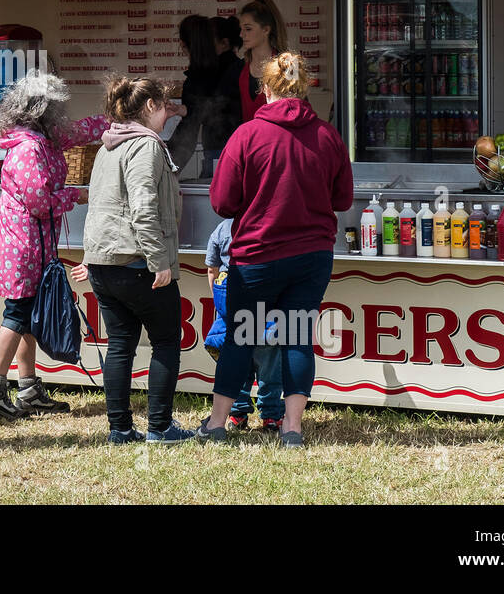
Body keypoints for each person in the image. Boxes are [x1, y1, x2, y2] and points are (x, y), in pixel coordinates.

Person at [202, 52, 353, 448]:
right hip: (312, 257)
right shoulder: (327, 136)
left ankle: (217, 423)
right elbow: (343, 199)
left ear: (265, 89)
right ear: (305, 88)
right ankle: (292, 427)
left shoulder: (247, 135)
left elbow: (222, 203)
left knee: (240, 336)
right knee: (297, 336)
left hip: (256, 257)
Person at [0, 71, 107, 419]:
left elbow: (78, 132)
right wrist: (76, 195)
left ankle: (29, 388)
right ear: (44, 111)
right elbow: (40, 203)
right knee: (16, 315)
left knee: (29, 318)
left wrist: (114, 119)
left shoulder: (38, 138)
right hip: (23, 247)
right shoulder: (30, 147)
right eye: (58, 109)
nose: (62, 115)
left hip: (27, 243)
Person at [71, 76, 193, 445]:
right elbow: (143, 208)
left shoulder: (109, 145)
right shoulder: (146, 146)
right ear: (151, 107)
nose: (169, 113)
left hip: (105, 265)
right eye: (165, 106)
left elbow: (100, 207)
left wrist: (91, 259)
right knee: (167, 341)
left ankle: (120, 429)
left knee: (120, 344)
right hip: (137, 262)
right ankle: (160, 427)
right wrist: (159, 261)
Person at [204, 217, 282, 434]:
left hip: (234, 310)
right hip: (266, 312)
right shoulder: (272, 223)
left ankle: (237, 414)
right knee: (270, 371)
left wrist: (220, 304)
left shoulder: (222, 227)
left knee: (237, 365)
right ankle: (271, 416)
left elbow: (212, 270)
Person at [166, 15, 241, 175]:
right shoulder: (240, 69)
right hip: (245, 150)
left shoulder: (200, 78)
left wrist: (166, 168)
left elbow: (189, 130)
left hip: (220, 153)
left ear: (184, 44)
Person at [238, 0, 288, 121]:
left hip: (278, 139)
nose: (241, 34)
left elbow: (298, 111)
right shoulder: (237, 70)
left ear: (266, 29)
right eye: (241, 29)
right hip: (248, 139)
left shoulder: (286, 68)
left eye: (248, 29)